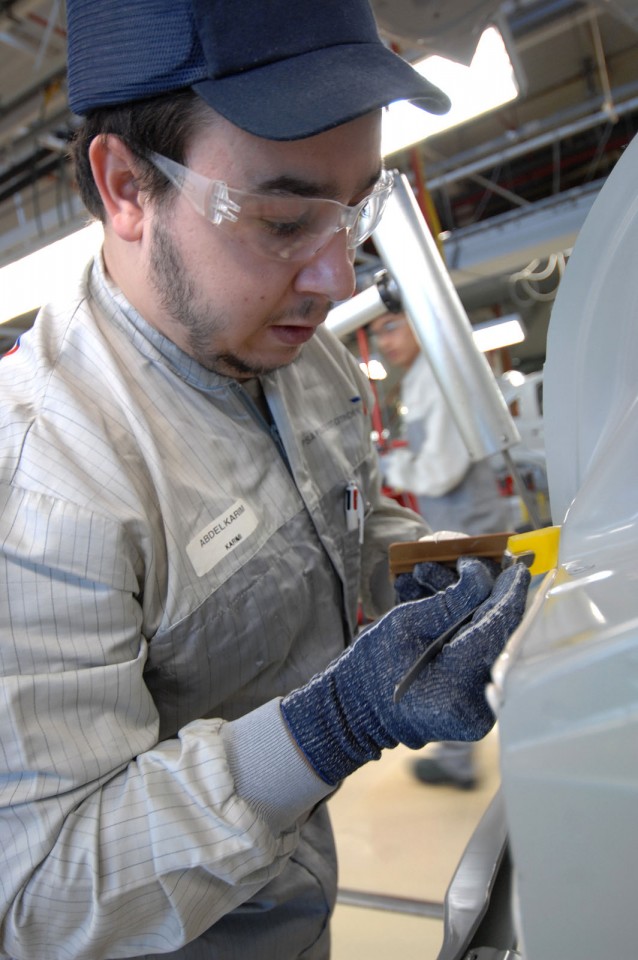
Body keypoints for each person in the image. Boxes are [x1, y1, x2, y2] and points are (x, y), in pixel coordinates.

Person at [0, 2, 530, 958]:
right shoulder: (46, 484)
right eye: (284, 220)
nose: (335, 275)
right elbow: (42, 896)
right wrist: (333, 723)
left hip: (291, 913)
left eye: (356, 207)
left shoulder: (297, 357)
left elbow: (335, 526)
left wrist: (431, 572)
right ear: (126, 186)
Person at [371, 310, 511, 790]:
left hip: (470, 535)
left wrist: (387, 467)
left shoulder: (438, 376)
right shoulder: (420, 379)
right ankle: (461, 755)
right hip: (458, 533)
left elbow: (440, 472)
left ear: (417, 319)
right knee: (473, 642)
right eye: (375, 333)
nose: (382, 340)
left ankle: (463, 758)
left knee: (469, 644)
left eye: (390, 326)